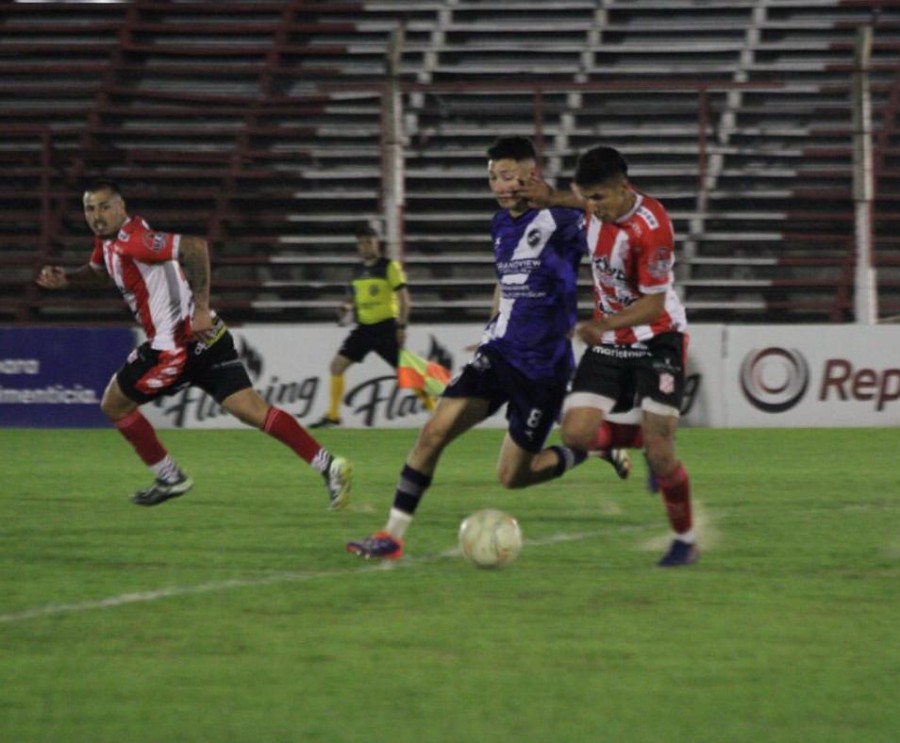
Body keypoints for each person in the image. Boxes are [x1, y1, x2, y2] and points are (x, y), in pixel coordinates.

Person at [346, 136, 628, 560]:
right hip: (498, 354)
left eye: (508, 175)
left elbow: (613, 213)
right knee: (433, 433)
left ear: (532, 175)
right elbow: (505, 281)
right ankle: (392, 535)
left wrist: (557, 197)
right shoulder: (499, 225)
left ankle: (589, 448)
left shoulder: (565, 220)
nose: (499, 185)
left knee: (513, 477)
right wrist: (493, 324)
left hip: (543, 367)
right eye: (493, 177)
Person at [36, 179, 353, 509]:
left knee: (114, 405)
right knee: (253, 410)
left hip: (174, 348)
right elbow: (101, 272)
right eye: (90, 209)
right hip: (208, 340)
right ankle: (330, 467)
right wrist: (67, 279)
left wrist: (200, 308)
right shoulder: (108, 241)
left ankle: (170, 477)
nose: (97, 216)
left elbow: (195, 247)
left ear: (121, 207)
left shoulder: (135, 240)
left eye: (104, 207)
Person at [530, 146, 697, 567]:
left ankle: (685, 540)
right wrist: (551, 197)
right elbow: (579, 201)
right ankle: (646, 440)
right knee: (575, 434)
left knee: (663, 457)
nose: (593, 207)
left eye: (600, 198)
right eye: (587, 198)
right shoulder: (594, 207)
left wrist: (602, 325)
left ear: (624, 187)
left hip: (659, 337)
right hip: (611, 338)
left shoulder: (651, 226)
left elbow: (654, 305)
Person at [310, 222, 433, 428]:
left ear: (377, 243)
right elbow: (354, 297)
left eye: (369, 241)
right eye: (361, 243)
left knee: (406, 372)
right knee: (336, 366)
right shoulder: (357, 270)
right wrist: (347, 306)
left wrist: (401, 326)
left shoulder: (389, 266)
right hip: (364, 329)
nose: (366, 246)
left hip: (386, 328)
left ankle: (435, 411)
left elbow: (404, 299)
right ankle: (333, 415)